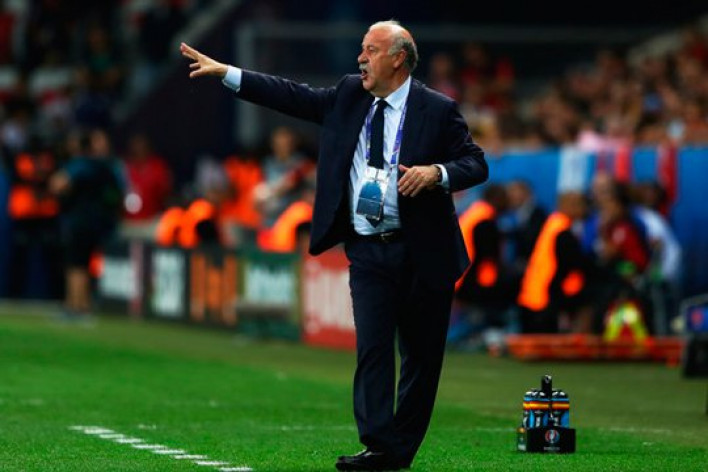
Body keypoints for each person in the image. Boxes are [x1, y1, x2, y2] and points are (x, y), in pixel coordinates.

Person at [181, 19, 488, 471]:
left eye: (371, 50)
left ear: (398, 58)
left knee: (421, 359)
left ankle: (398, 452)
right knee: (373, 349)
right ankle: (378, 446)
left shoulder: (437, 109)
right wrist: (229, 72)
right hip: (368, 250)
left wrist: (437, 173)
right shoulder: (348, 95)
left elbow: (475, 163)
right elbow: (291, 95)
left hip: (423, 251)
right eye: (362, 48)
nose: (361, 57)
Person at [49, 128, 124, 319]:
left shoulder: (80, 164)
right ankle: (83, 305)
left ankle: (76, 307)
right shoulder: (107, 166)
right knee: (85, 264)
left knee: (76, 264)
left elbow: (57, 184)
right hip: (101, 223)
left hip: (79, 222)